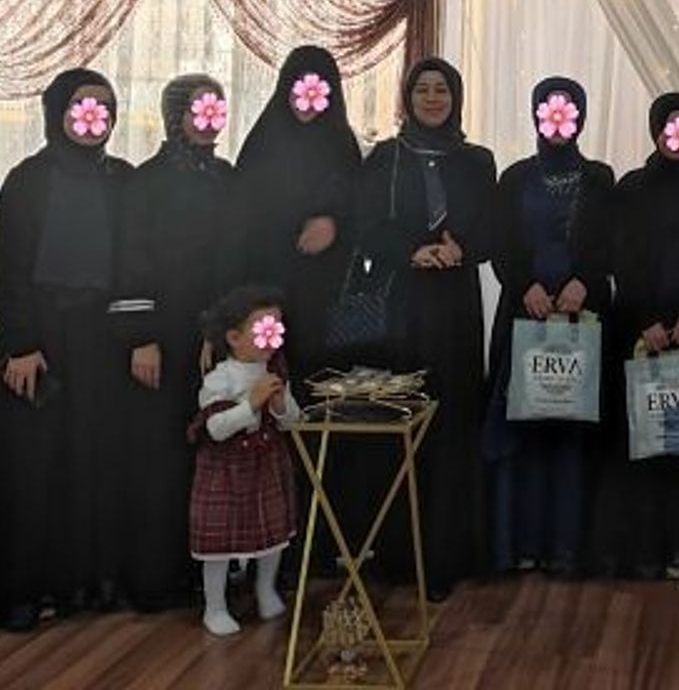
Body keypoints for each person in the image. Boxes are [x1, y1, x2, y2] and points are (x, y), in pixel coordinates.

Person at [356, 57, 495, 599]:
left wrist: (464, 248)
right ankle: (398, 554)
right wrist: (411, 251)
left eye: (442, 90)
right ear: (408, 98)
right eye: (423, 90)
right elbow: (367, 225)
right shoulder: (385, 158)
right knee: (404, 415)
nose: (433, 98)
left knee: (453, 415)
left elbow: (493, 227)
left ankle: (449, 555)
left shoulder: (477, 160)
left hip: (456, 301)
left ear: (456, 98)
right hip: (404, 301)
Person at [0, 68, 134, 630]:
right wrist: (20, 345)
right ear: (58, 112)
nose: (92, 118)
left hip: (100, 337)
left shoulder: (122, 179)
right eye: (81, 106)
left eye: (104, 108)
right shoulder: (28, 180)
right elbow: (8, 267)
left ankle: (85, 581)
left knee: (93, 459)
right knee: (35, 466)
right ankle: (22, 588)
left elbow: (134, 260)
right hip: (40, 338)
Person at [110, 74, 237, 612]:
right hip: (162, 338)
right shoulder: (146, 182)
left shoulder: (227, 177)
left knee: (213, 449)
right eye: (198, 110)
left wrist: (228, 330)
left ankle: (207, 573)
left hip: (215, 337)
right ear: (175, 116)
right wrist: (142, 338)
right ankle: (155, 576)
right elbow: (130, 261)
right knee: (161, 455)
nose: (207, 122)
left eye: (216, 111)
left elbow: (237, 257)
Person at [486, 77, 614, 577]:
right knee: (525, 425)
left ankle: (567, 546)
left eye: (567, 111)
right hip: (526, 313)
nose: (558, 120)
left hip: (582, 316)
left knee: (571, 428)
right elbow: (501, 243)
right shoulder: (514, 177)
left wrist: (585, 281)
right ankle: (521, 543)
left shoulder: (600, 177)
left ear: (581, 116)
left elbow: (610, 241)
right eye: (549, 110)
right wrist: (525, 286)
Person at [595, 92, 679, 578]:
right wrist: (647, 319)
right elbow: (621, 256)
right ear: (654, 130)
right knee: (644, 440)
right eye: (670, 126)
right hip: (640, 332)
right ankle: (645, 546)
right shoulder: (630, 187)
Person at [235, 45, 361, 386]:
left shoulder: (342, 144)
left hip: (327, 292)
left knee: (320, 383)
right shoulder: (263, 142)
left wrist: (334, 223)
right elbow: (240, 217)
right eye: (299, 87)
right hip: (267, 287)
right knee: (268, 384)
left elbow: (362, 207)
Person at [189, 286, 301, 636]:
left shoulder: (275, 372)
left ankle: (265, 589)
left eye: (275, 327)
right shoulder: (219, 378)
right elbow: (216, 428)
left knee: (272, 533)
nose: (270, 337)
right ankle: (215, 605)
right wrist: (251, 404)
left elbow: (292, 422)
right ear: (234, 338)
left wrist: (280, 405)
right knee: (219, 543)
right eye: (262, 328)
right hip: (226, 470)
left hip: (266, 464)